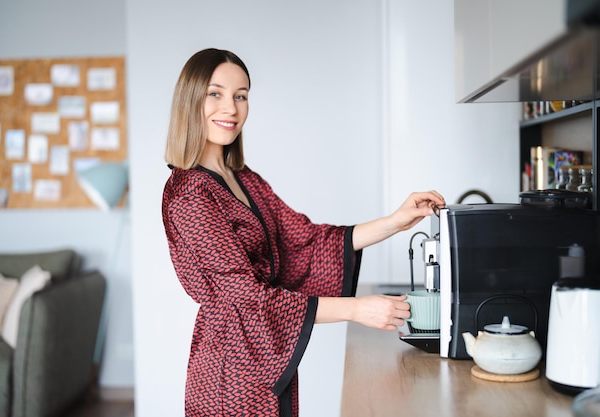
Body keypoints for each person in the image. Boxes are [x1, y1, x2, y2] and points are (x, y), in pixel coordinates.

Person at [162, 48, 446, 417]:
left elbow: (305, 242)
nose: (230, 108)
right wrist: (356, 309)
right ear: (190, 100)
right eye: (215, 94)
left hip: (268, 361)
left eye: (241, 95)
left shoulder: (245, 179)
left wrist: (395, 221)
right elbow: (248, 297)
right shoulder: (190, 194)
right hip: (228, 372)